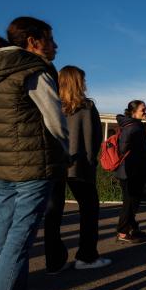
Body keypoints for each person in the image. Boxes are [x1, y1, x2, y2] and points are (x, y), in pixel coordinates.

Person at [0, 16, 70, 290]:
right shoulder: (33, 68)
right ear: (32, 42)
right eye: (50, 39)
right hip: (34, 166)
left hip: (7, 166)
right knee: (17, 245)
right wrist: (65, 152)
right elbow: (54, 120)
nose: (55, 45)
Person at [44, 66, 111, 273]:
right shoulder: (86, 106)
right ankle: (86, 256)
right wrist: (91, 163)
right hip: (78, 166)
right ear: (77, 82)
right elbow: (93, 140)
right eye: (82, 80)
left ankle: (54, 262)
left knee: (53, 214)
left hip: (54, 166)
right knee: (89, 210)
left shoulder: (51, 105)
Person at [114, 100, 146, 244]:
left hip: (135, 170)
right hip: (130, 171)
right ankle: (122, 232)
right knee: (129, 203)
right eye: (143, 109)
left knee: (133, 202)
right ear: (133, 112)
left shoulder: (136, 126)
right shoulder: (132, 127)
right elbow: (123, 149)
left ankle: (132, 228)